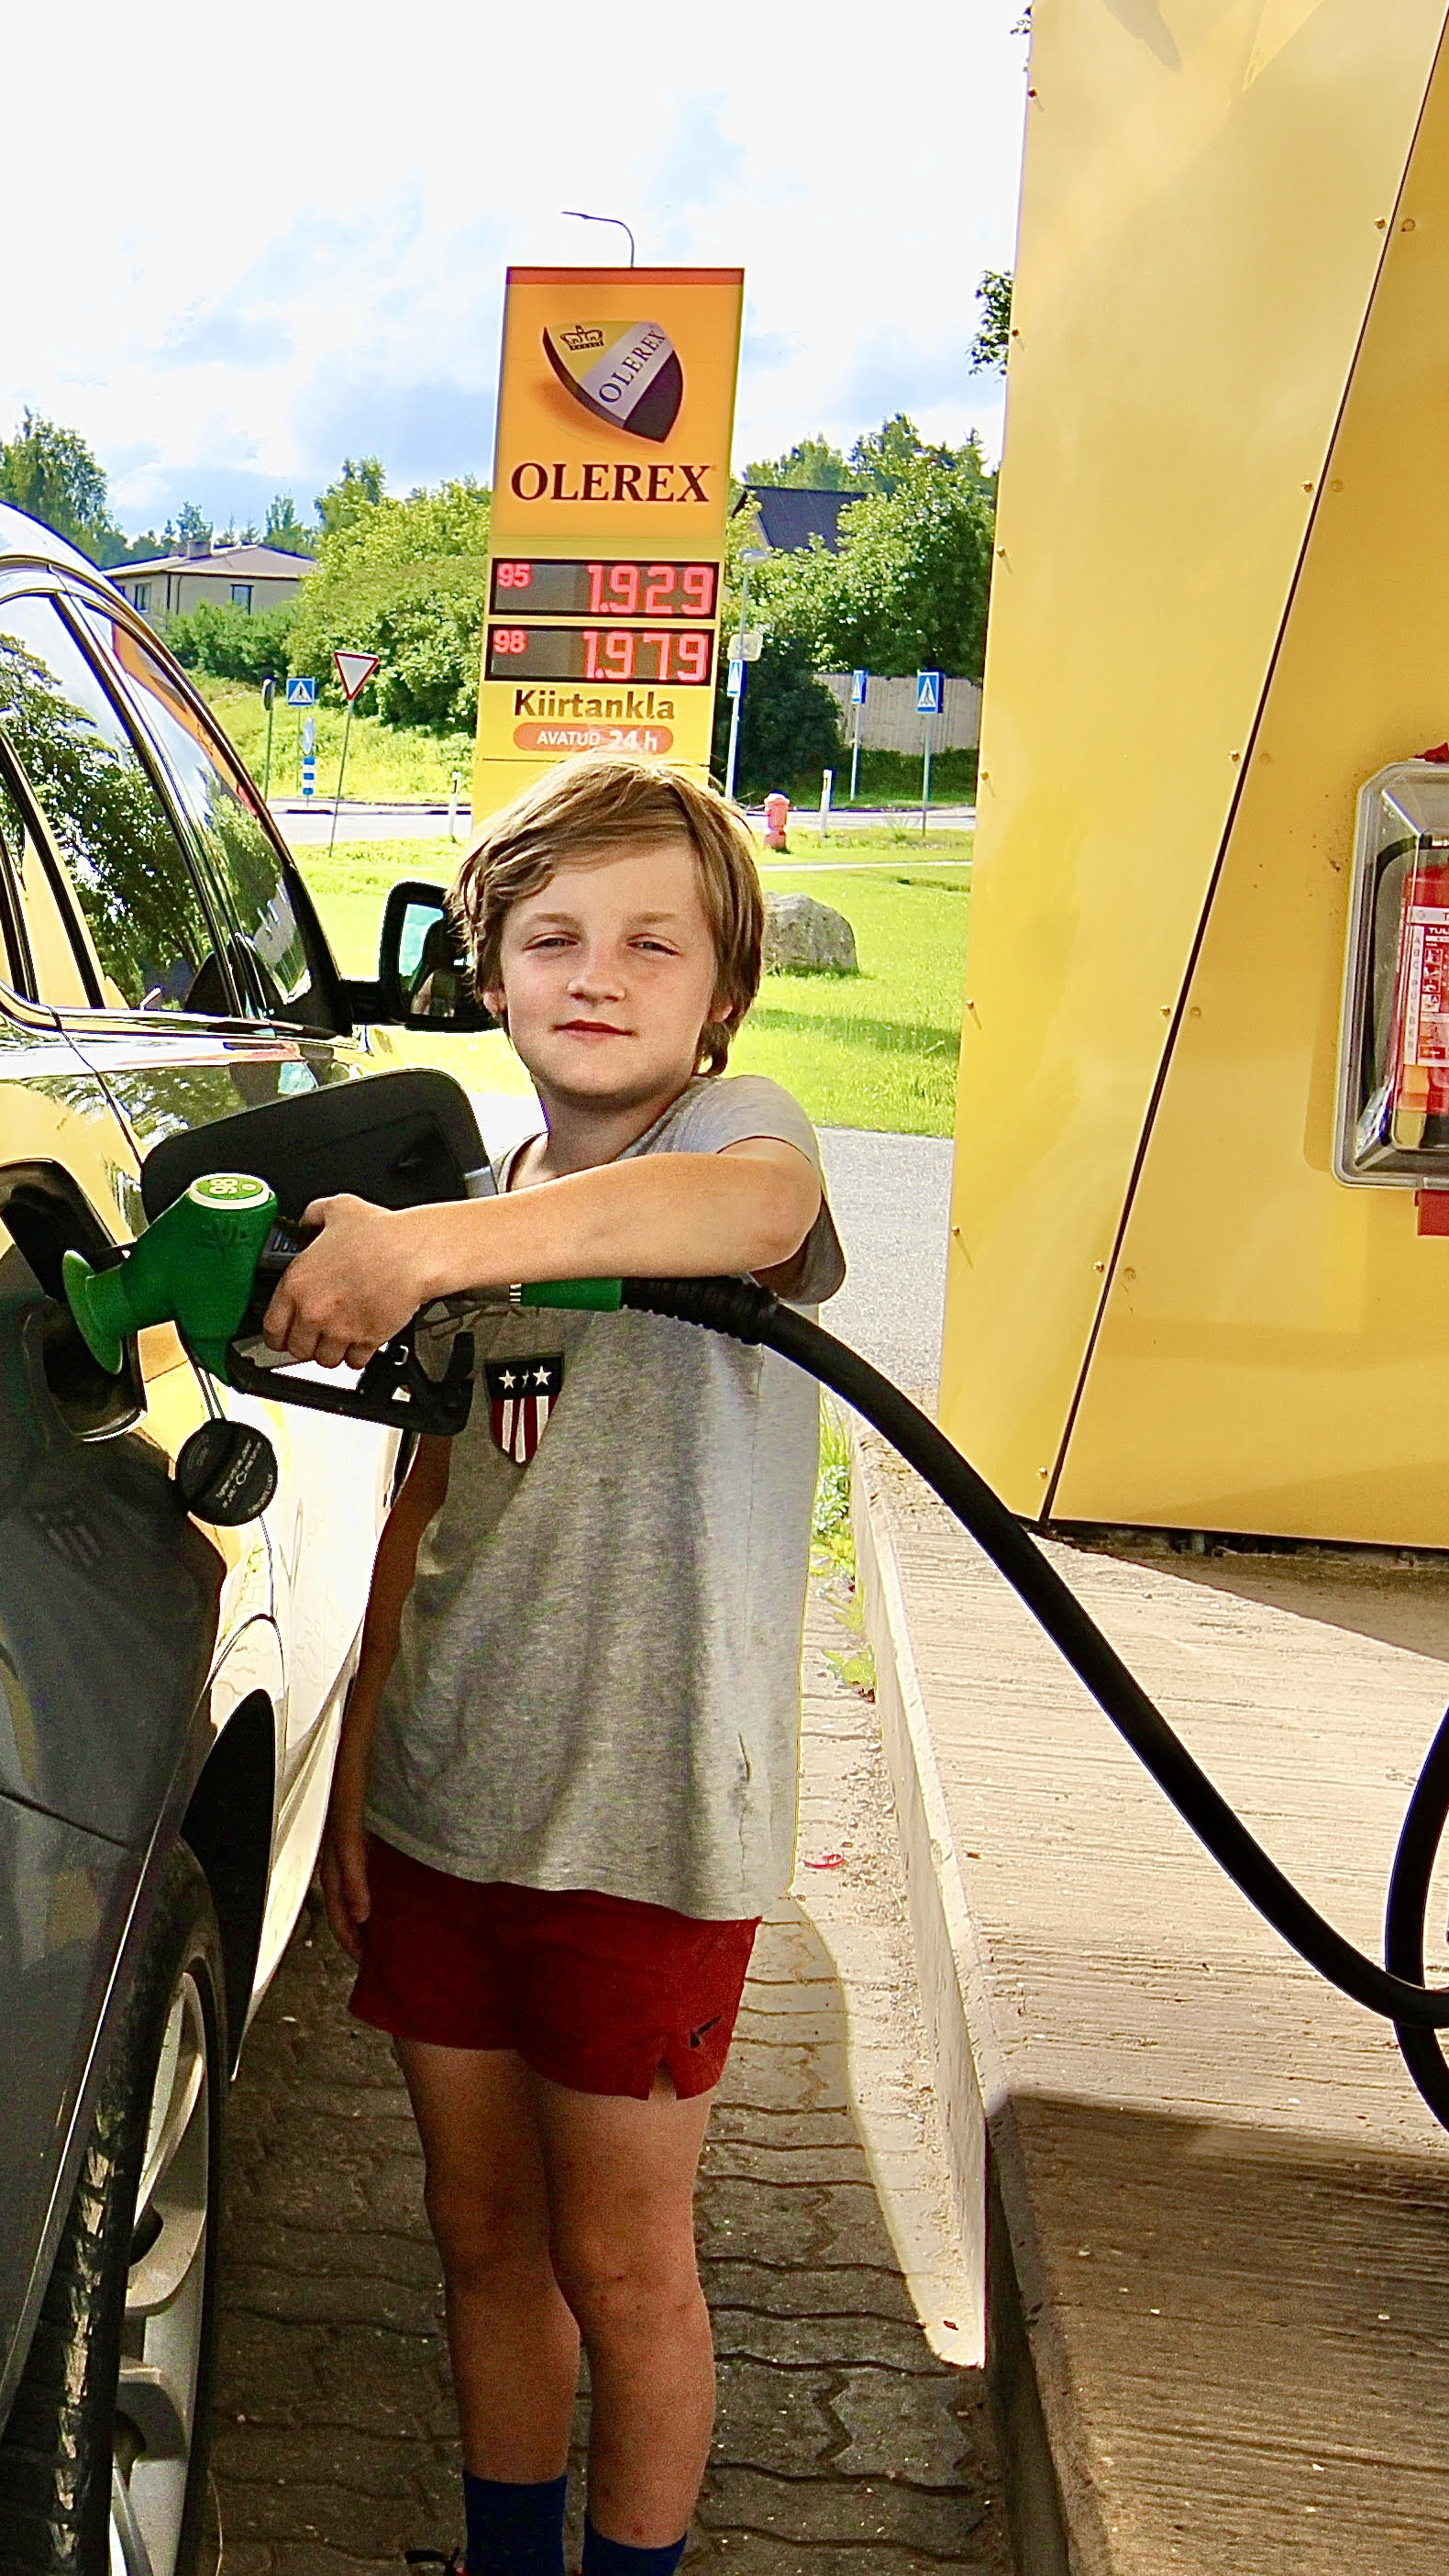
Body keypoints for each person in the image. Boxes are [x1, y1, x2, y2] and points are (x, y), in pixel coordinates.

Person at [263, 757, 844, 2576]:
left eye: (653, 942)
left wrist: (430, 1247)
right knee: (482, 2231)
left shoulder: (733, 1137)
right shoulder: (488, 1198)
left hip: (653, 1832)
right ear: (489, 973)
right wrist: (361, 1768)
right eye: (555, 936)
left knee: (626, 2260)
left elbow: (750, 1220)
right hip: (454, 1805)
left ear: (720, 990)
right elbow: (429, 1501)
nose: (601, 974)